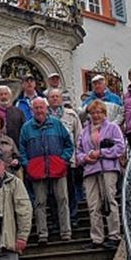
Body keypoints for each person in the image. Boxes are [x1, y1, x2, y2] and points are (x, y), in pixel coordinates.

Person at [19, 97, 74, 244]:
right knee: (39, 202)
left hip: (58, 168)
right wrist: (27, 165)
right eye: (36, 108)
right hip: (37, 171)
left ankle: (66, 232)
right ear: (32, 110)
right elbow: (22, 150)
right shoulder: (26, 128)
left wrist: (63, 160)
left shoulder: (57, 124)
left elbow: (69, 144)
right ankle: (42, 234)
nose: (39, 110)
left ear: (46, 108)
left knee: (62, 199)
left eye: (41, 107)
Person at [76, 101, 127, 250]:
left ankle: (114, 235)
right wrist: (85, 157)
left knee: (110, 200)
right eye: (93, 113)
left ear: (104, 113)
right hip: (90, 170)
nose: (96, 115)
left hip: (108, 168)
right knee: (93, 205)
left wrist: (102, 153)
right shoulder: (85, 131)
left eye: (99, 112)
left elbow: (120, 147)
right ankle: (97, 238)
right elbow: (78, 151)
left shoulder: (112, 128)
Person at [48, 88, 83, 228]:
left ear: (61, 99)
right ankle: (56, 219)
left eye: (57, 96)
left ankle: (72, 217)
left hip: (68, 159)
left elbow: (78, 137)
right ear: (48, 100)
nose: (55, 99)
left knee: (70, 190)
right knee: (52, 192)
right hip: (50, 161)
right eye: (52, 97)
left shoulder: (71, 115)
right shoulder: (43, 116)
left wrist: (78, 156)